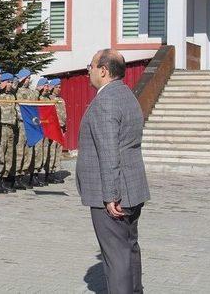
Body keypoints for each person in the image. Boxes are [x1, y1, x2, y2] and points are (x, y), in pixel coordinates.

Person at [76, 49, 150, 294]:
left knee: (116, 257)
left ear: (104, 71)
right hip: (132, 187)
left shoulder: (105, 101)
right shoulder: (126, 94)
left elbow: (108, 151)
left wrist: (110, 195)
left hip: (113, 193)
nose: (89, 70)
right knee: (129, 249)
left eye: (91, 65)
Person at [0, 73, 16, 194]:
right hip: (2, 127)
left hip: (11, 127)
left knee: (9, 155)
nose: (9, 84)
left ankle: (5, 179)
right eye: (7, 82)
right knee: (1, 154)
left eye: (10, 82)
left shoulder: (12, 96)